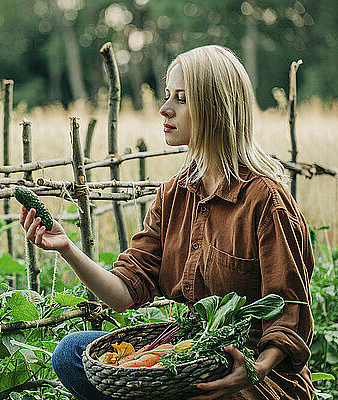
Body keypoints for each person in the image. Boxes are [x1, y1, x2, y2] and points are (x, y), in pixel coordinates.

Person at [19, 45, 315, 400]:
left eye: (182, 98)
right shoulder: (175, 194)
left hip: (250, 376)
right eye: (167, 96)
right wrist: (66, 247)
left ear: (216, 107)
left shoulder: (265, 201)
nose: (164, 108)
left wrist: (251, 371)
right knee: (72, 354)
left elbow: (288, 317)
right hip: (192, 356)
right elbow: (124, 293)